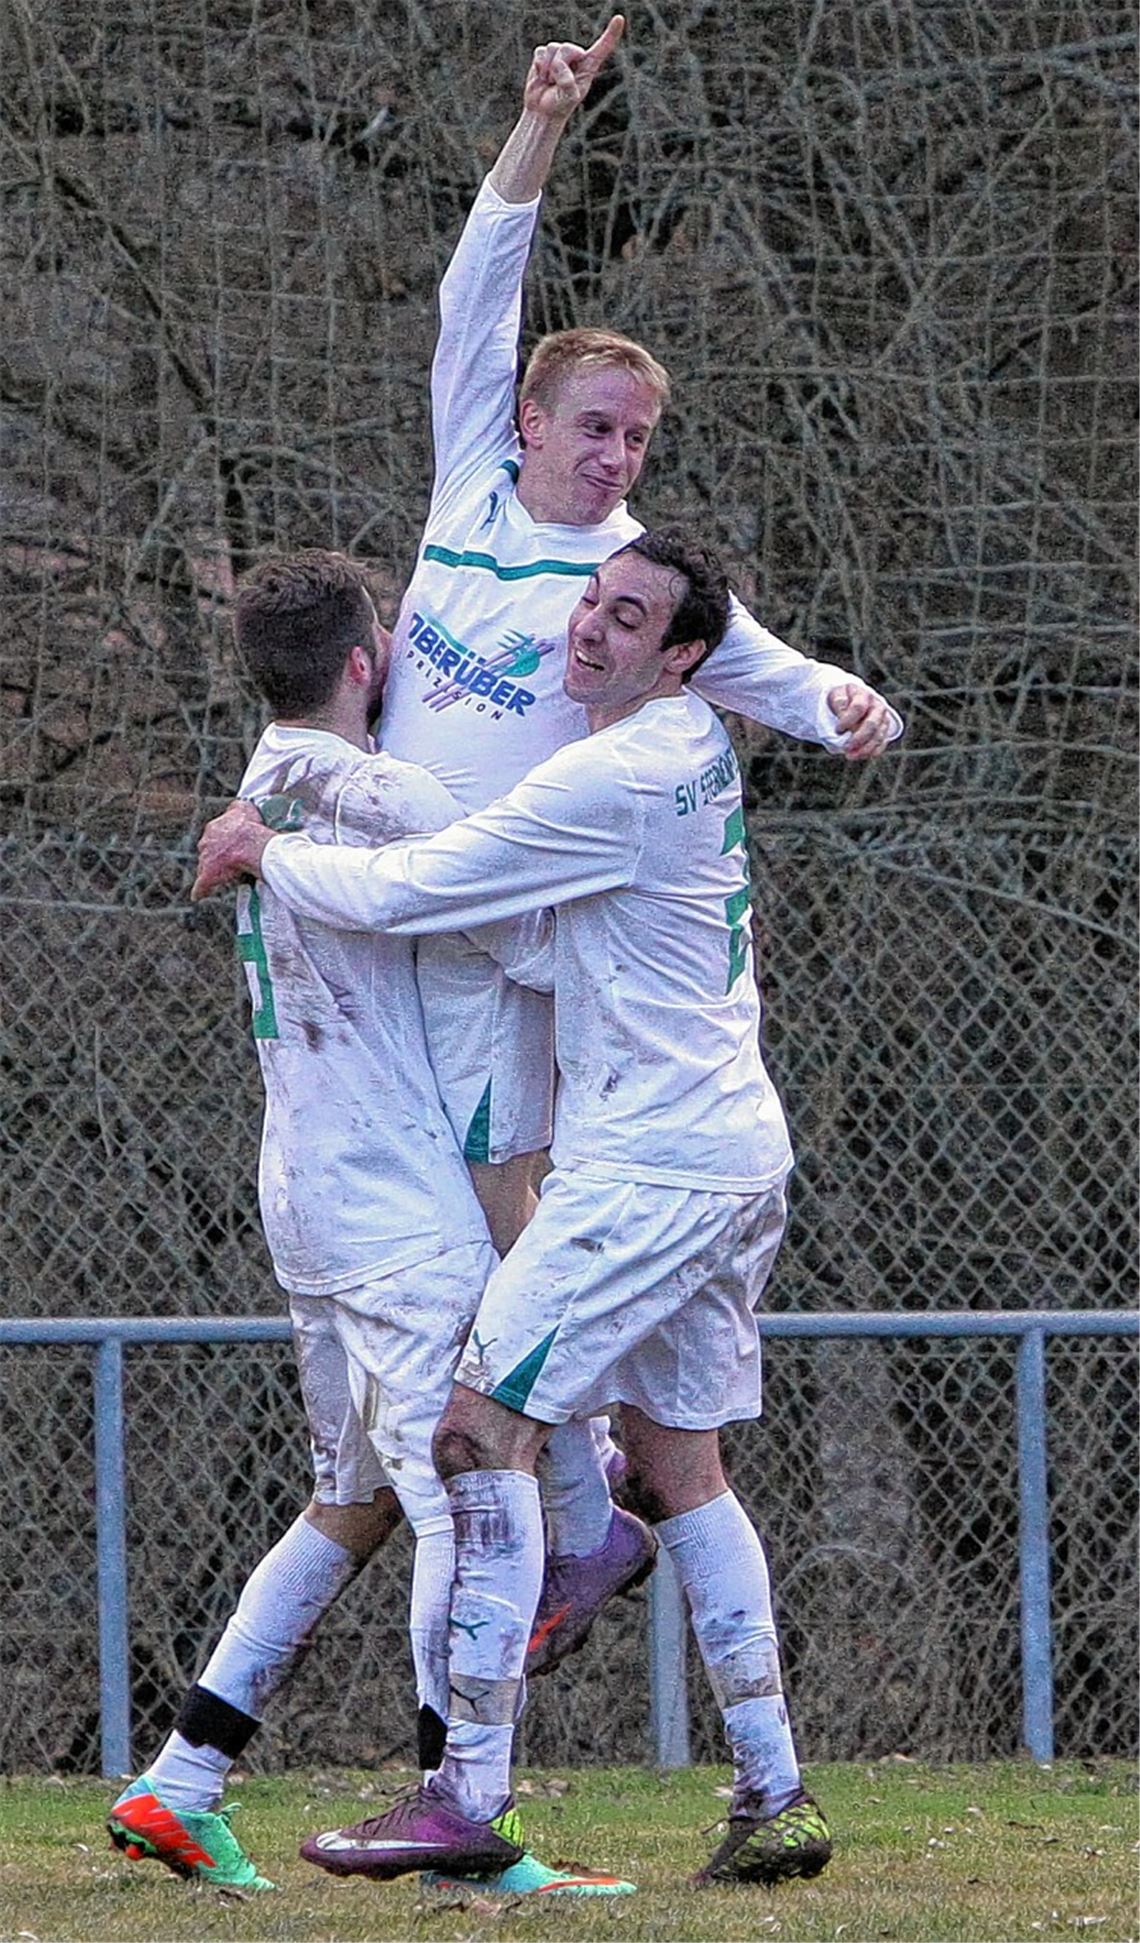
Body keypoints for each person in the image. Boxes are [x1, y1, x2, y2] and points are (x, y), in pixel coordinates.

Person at [192, 527, 837, 1889]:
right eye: (591, 600)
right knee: (682, 1467)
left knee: (477, 1434)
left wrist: (267, 852)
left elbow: (421, 884)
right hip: (728, 1146)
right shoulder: (679, 750)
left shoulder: (610, 772)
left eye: (629, 618)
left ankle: (466, 1796)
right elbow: (542, 934)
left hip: (651, 1170)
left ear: (686, 658)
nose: (589, 627)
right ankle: (774, 1794)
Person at [377, 14, 902, 1666]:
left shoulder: (628, 587)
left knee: (506, 1215)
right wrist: (540, 122)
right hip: (413, 923)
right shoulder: (469, 495)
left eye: (636, 439)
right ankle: (587, 1494)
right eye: (595, 425)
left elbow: (764, 666)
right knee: (470, 1236)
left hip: (505, 940)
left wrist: (844, 704)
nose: (615, 456)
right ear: (529, 422)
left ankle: (579, 1508)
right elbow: (477, 295)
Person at [107, 550, 634, 1900]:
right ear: (361, 662)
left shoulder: (264, 775)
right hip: (392, 1203)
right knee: (471, 1493)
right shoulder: (382, 791)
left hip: (304, 1186)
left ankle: (180, 1783)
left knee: (351, 1503)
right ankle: (463, 1831)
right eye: (390, 638)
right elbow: (515, 901)